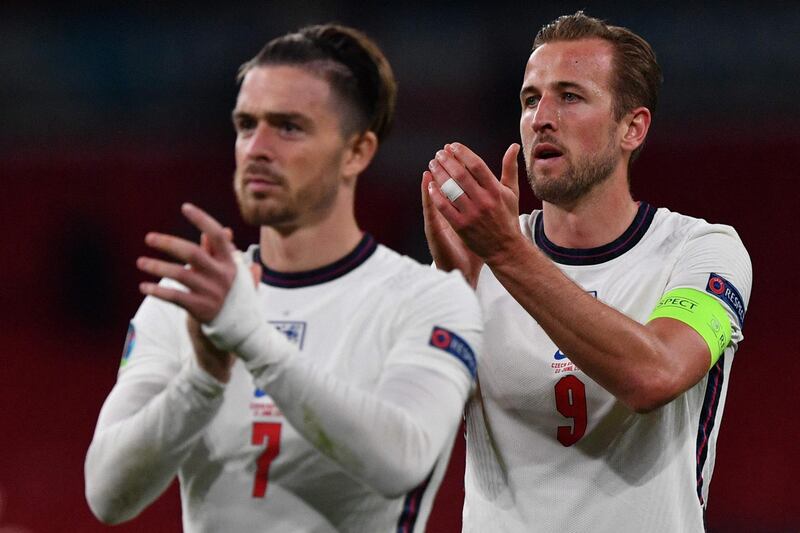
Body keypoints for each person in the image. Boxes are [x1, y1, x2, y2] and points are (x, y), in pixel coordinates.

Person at [85, 24, 482, 533]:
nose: (257, 148)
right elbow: (106, 495)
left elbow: (402, 461)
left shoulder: (428, 299)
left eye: (288, 127)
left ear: (357, 152)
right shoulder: (188, 302)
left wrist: (252, 342)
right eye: (246, 125)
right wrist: (203, 378)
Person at [422, 11, 752, 533]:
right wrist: (450, 296)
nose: (542, 117)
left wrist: (508, 255)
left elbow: (654, 375)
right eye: (531, 99)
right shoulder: (478, 257)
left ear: (632, 127)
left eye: (570, 96)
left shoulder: (702, 250)